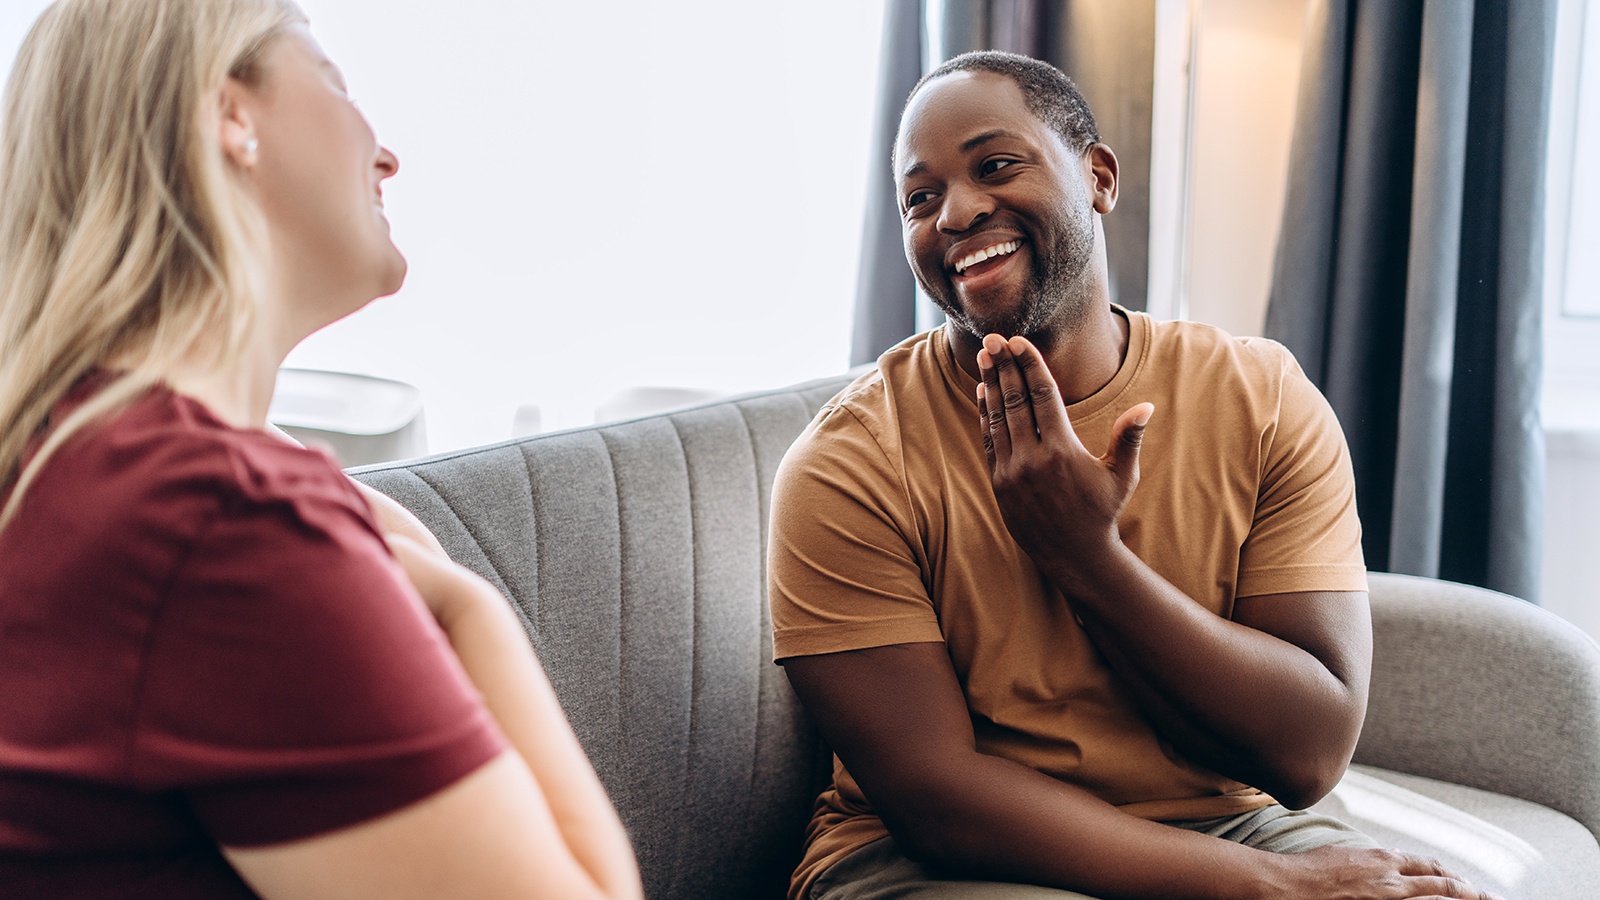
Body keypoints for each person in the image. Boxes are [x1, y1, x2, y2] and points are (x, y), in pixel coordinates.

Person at [768, 51, 1502, 900]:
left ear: (1100, 176)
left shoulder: (1261, 400)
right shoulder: (847, 464)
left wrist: (1089, 558)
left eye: (995, 165)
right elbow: (937, 800)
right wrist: (1271, 887)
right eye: (919, 199)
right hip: (934, 858)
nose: (956, 212)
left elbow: (1309, 754)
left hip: (1227, 822)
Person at [0, 1, 642, 898]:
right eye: (334, 83)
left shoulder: (63, 459)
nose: (386, 154)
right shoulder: (224, 523)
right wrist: (464, 603)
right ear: (230, 114)